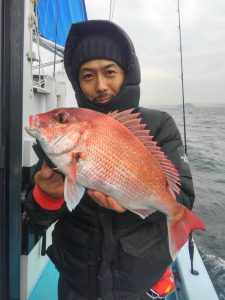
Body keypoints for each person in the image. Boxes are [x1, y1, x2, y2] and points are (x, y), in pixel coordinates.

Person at [25, 20, 195, 300]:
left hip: (140, 285)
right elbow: (30, 222)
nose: (101, 85)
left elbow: (184, 196)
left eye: (110, 72)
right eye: (88, 76)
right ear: (78, 82)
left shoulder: (159, 125)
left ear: (127, 74)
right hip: (77, 282)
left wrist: (135, 205)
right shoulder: (55, 146)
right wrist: (45, 196)